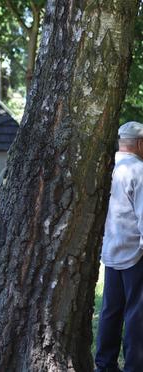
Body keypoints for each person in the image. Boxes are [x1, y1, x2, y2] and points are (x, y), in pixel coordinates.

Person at [95, 121, 143, 371]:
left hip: (111, 250)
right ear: (140, 143)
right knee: (137, 314)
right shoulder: (139, 170)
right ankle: (135, 366)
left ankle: (104, 363)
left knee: (111, 311)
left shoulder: (108, 168)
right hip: (136, 252)